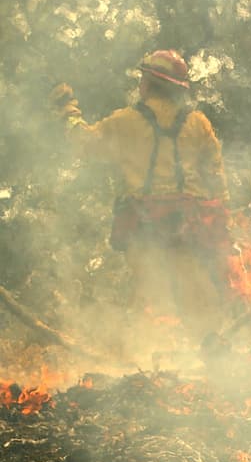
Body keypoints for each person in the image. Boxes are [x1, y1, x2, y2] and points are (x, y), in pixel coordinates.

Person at [50, 49, 231, 356]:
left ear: (146, 84)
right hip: (188, 229)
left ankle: (145, 358)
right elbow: (217, 182)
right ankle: (212, 354)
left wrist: (67, 110)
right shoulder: (199, 124)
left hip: (144, 229)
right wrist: (225, 229)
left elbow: (83, 143)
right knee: (197, 295)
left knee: (149, 297)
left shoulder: (126, 122)